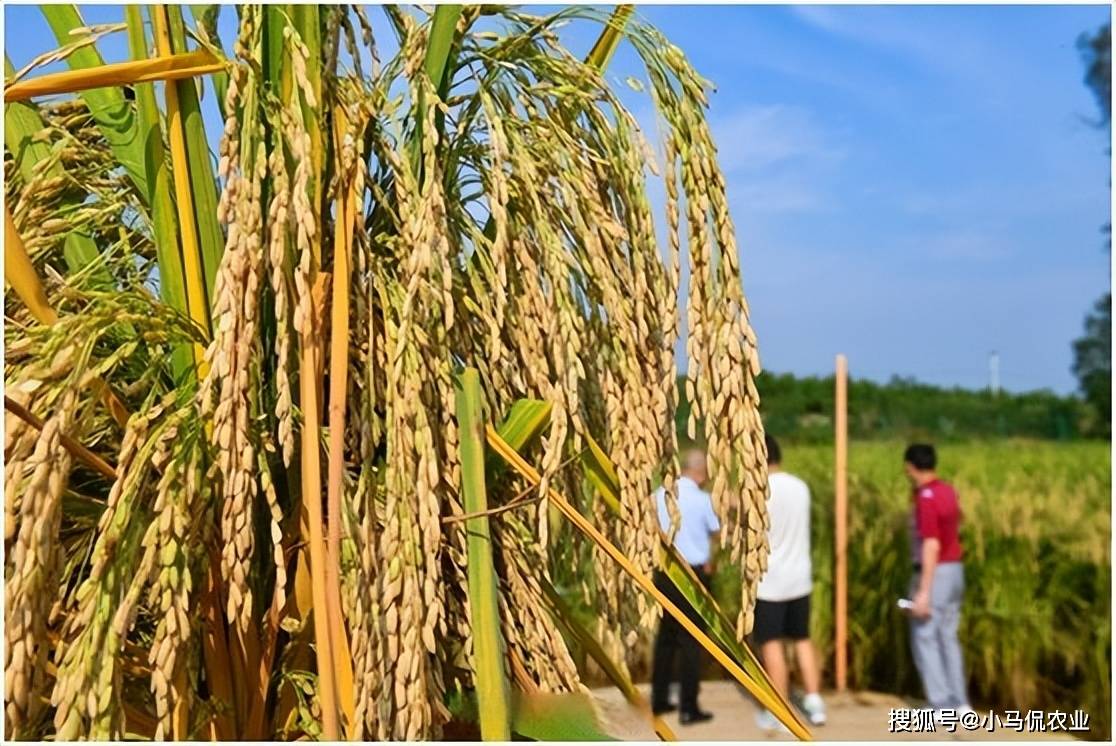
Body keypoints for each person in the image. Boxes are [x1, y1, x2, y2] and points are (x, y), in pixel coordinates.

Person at [751, 435, 827, 731]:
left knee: (772, 645)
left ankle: (780, 711)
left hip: (770, 582)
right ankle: (815, 701)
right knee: (802, 639)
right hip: (800, 579)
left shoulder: (760, 491)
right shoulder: (800, 487)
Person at [903, 443, 972, 716]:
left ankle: (941, 702)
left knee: (925, 636)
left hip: (936, 571)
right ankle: (960, 700)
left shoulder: (926, 497)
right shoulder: (948, 491)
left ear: (910, 467)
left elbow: (931, 543)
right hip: (955, 570)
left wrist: (923, 590)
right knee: (948, 636)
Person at [650, 449, 718, 725]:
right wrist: (712, 559)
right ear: (701, 472)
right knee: (692, 640)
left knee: (666, 638)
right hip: (694, 576)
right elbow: (715, 532)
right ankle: (688, 708)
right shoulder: (704, 500)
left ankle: (659, 700)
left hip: (665, 573)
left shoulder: (659, 494)